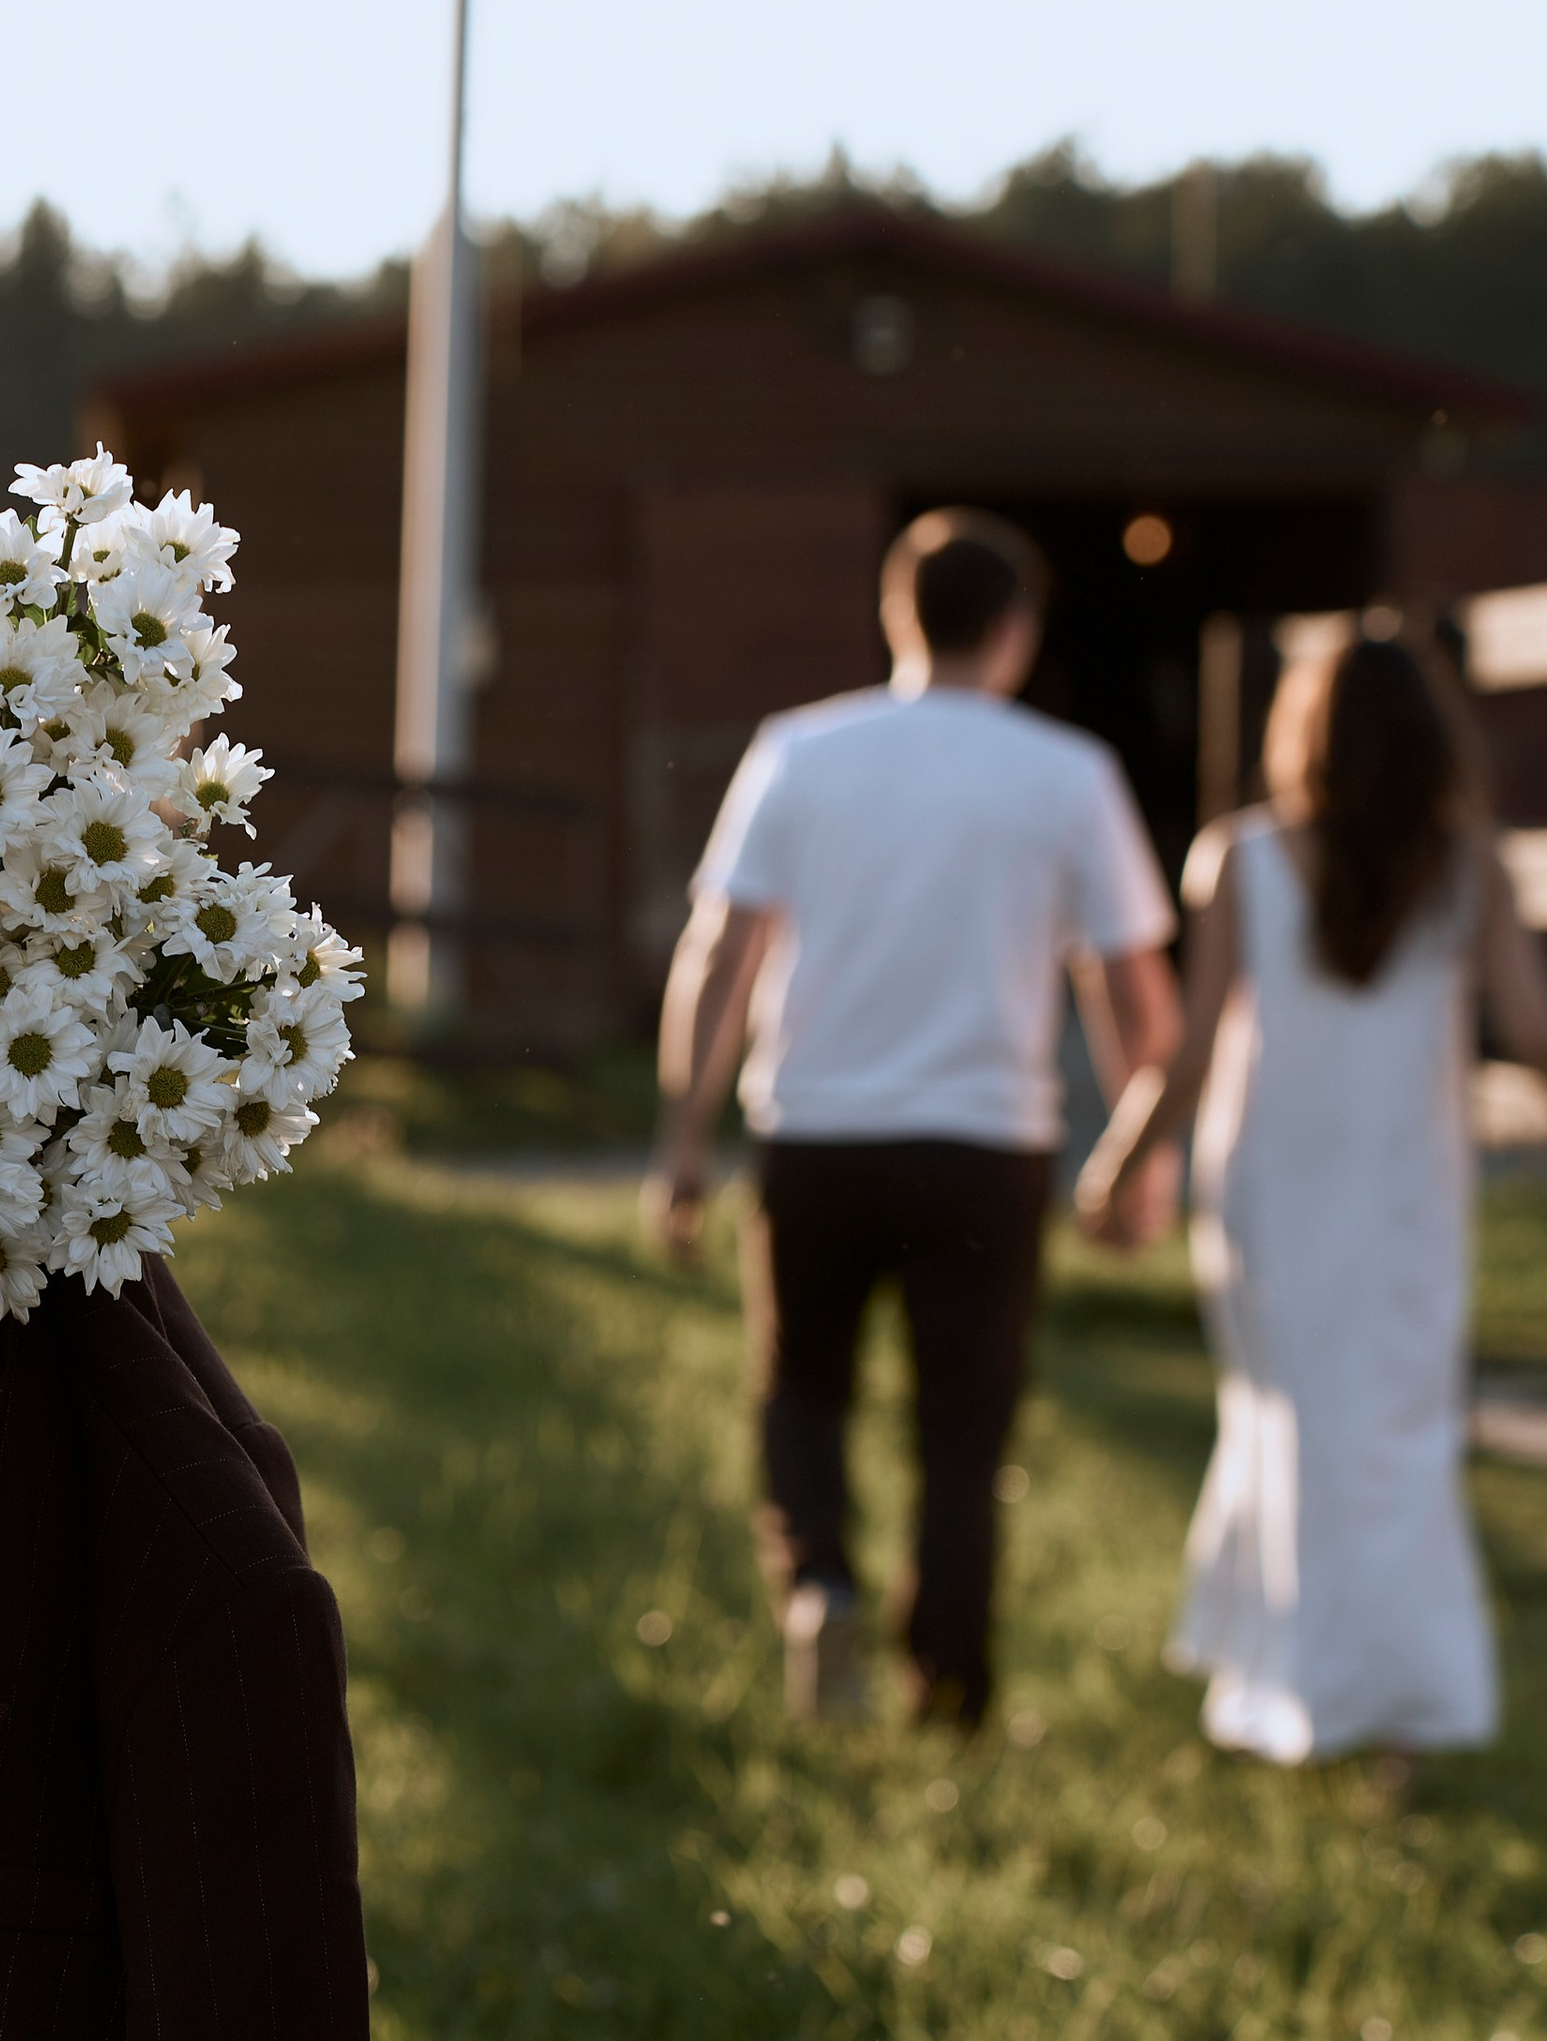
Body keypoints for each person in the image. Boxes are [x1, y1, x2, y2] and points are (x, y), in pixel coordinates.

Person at [647, 508, 1179, 1725]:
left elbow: (718, 952)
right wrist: (1140, 1153)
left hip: (814, 1133)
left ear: (895, 615)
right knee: (962, 1434)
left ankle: (817, 1583)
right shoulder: (1068, 775)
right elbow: (1129, 988)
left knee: (801, 1389)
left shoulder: (798, 751)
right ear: (1016, 632)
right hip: (986, 1145)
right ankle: (946, 1690)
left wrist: (681, 1139)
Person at [1077, 624, 1547, 1766]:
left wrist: (1119, 1159)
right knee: (1399, 1434)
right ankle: (1378, 1711)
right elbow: (1533, 1033)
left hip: (1275, 1183)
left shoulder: (1241, 855)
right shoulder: (1471, 869)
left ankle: (1305, 1688)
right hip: (1411, 1189)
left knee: (1288, 1421)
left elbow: (1193, 1050)